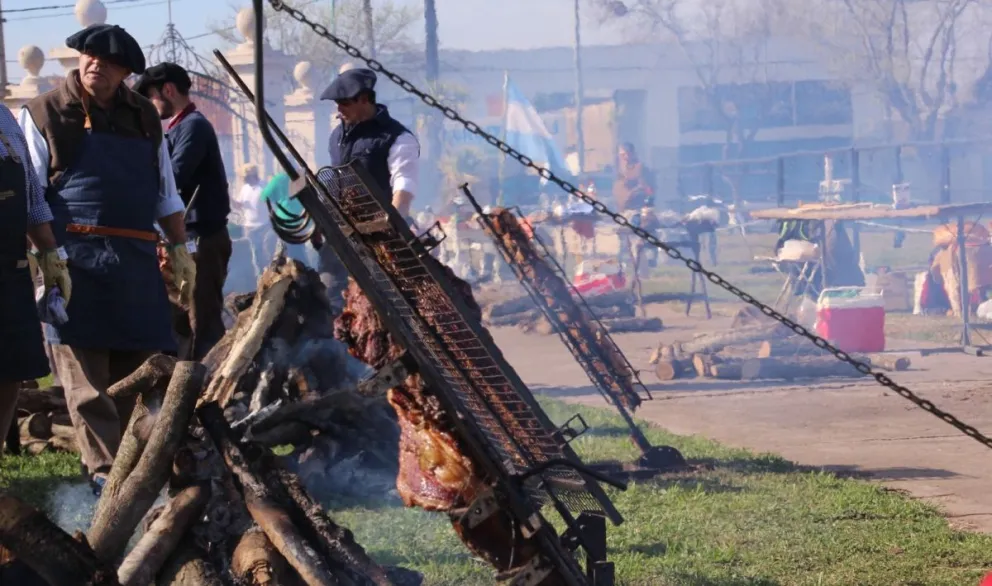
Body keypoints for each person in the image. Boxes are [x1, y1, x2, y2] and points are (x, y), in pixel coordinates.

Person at [17, 24, 195, 494]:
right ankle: (103, 476)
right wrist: (46, 257)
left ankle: (141, 470)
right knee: (85, 379)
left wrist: (180, 249)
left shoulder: (145, 117)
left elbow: (166, 191)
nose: (95, 63)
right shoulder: (43, 113)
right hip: (71, 263)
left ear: (125, 72)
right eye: (89, 55)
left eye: (108, 61)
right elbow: (30, 193)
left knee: (140, 372)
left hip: (135, 262)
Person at [133, 62, 232, 360]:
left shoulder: (194, 126)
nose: (151, 105)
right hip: (185, 239)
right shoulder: (178, 128)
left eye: (151, 97)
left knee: (203, 322)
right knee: (179, 319)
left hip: (201, 239)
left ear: (168, 90)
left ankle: (212, 392)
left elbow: (173, 177)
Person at [0, 104, 71, 453]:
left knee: (10, 372)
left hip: (8, 270)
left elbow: (32, 200)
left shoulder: (4, 118)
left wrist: (51, 255)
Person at [317, 67, 420, 306]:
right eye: (337, 103)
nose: (338, 109)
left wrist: (390, 229)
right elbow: (336, 178)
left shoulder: (396, 138)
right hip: (340, 238)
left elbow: (404, 186)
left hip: (379, 239)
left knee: (386, 306)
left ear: (364, 99)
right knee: (330, 301)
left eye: (344, 103)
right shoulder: (337, 136)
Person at [612, 142, 657, 270]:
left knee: (642, 232)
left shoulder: (640, 168)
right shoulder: (619, 171)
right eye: (621, 154)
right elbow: (618, 190)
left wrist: (633, 193)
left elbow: (646, 189)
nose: (624, 157)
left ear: (632, 153)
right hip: (623, 211)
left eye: (626, 153)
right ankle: (624, 266)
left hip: (639, 210)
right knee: (623, 237)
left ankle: (647, 261)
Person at [228, 163, 269, 292]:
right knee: (254, 257)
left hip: (263, 226)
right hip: (249, 228)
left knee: (265, 254)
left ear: (253, 175)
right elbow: (239, 206)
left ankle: (268, 279)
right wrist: (229, 196)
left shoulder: (263, 187)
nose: (243, 179)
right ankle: (258, 282)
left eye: (245, 177)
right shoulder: (245, 188)